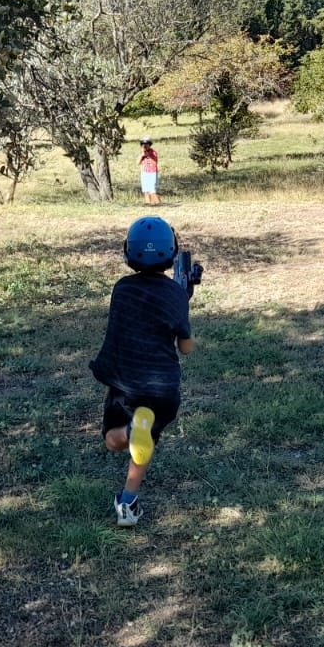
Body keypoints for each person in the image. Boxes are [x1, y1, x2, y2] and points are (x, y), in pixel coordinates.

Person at [89, 216, 195, 526]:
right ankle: (128, 501)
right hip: (163, 391)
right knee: (143, 437)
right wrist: (183, 301)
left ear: (128, 253)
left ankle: (131, 431)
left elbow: (142, 310)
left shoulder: (121, 289)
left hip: (127, 385)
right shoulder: (176, 295)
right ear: (172, 253)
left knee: (114, 439)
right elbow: (185, 347)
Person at [138, 136, 161, 205]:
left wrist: (147, 154)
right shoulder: (142, 153)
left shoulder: (153, 152)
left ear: (150, 144)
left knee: (152, 190)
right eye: (143, 144)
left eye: (146, 144)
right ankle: (147, 203)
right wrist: (142, 155)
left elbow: (154, 160)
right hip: (144, 172)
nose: (144, 145)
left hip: (152, 173)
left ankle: (158, 202)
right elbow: (138, 162)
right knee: (145, 190)